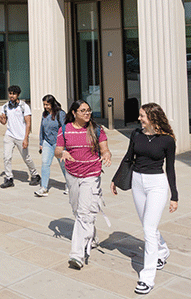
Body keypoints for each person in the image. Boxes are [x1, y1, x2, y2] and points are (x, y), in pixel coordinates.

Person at [111, 103, 178, 295]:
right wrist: (116, 179)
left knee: (148, 229)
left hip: (157, 184)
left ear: (153, 118)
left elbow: (171, 170)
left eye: (142, 116)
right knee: (147, 224)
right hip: (138, 182)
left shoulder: (167, 141)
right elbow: (128, 157)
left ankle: (147, 277)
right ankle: (163, 251)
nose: (139, 119)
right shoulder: (136, 134)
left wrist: (174, 196)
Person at [55, 99, 111, 270]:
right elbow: (57, 150)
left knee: (83, 212)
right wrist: (62, 152)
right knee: (76, 209)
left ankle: (77, 255)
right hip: (72, 175)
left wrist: (107, 155)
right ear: (74, 113)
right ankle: (91, 237)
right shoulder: (64, 129)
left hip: (91, 175)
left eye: (88, 110)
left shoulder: (96, 129)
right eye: (83, 111)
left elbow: (105, 149)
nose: (87, 113)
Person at [0, 85, 39, 188]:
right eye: (10, 93)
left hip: (21, 136)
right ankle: (9, 178)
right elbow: (4, 122)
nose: (11, 95)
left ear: (18, 95)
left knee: (26, 158)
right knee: (6, 157)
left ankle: (35, 175)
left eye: (14, 94)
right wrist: (1, 120)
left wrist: (26, 138)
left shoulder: (24, 106)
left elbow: (28, 123)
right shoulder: (5, 106)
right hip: (9, 135)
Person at [34, 94, 69, 197]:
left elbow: (65, 129)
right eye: (44, 104)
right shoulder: (44, 114)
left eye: (47, 104)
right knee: (45, 164)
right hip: (47, 143)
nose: (45, 107)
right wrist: (41, 143)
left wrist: (64, 145)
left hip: (59, 144)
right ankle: (43, 188)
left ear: (52, 104)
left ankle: (70, 185)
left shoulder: (60, 114)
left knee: (64, 165)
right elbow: (42, 129)